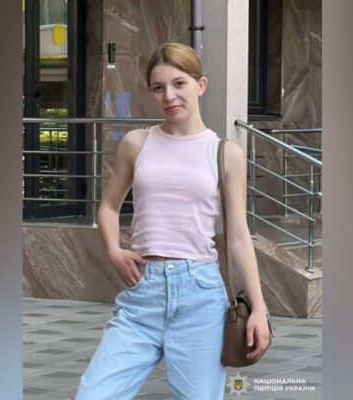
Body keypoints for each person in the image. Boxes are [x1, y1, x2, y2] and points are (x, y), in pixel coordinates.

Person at [75, 42, 270, 400]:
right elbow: (108, 208)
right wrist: (114, 251)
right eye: (158, 87)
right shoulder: (137, 143)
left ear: (201, 85)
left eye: (179, 83)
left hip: (201, 297)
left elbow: (239, 236)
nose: (169, 96)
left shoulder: (225, 153)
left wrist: (259, 308)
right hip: (143, 294)